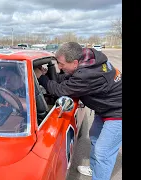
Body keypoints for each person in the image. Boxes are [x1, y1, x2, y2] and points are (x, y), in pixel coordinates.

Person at [35, 42, 122, 180]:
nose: (59, 67)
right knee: (94, 136)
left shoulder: (87, 74)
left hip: (118, 112)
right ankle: (95, 169)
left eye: (61, 64)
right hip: (107, 107)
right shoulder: (89, 59)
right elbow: (69, 78)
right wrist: (51, 76)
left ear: (75, 62)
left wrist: (41, 78)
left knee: (103, 152)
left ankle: (100, 176)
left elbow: (60, 90)